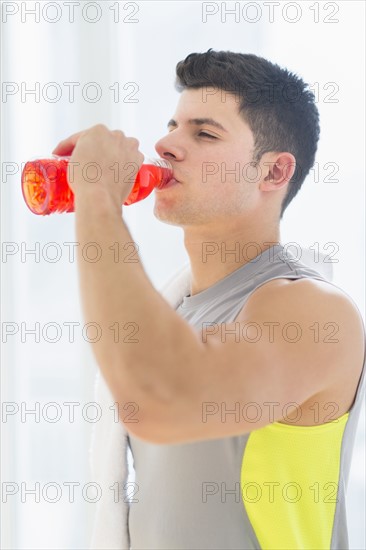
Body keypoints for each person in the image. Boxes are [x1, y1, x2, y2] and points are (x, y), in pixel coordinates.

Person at [52, 50, 365, 550]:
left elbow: (159, 399)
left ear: (273, 173)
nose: (165, 144)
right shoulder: (176, 310)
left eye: (204, 133)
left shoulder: (310, 312)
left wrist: (96, 198)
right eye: (172, 126)